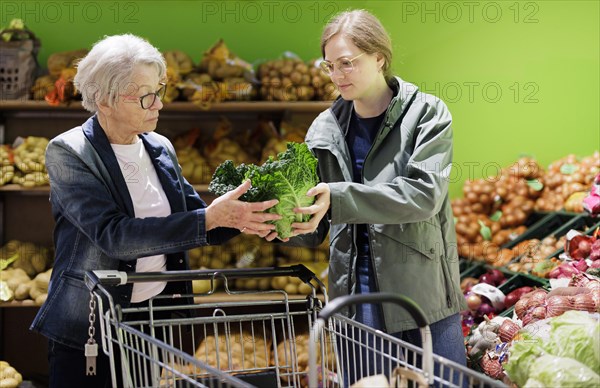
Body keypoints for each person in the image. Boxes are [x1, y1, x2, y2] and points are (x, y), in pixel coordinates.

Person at [30, 34, 280, 388]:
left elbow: (196, 221)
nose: (158, 104)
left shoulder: (159, 146)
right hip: (89, 324)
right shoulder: (69, 152)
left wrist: (244, 217)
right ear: (104, 98)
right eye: (145, 95)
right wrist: (208, 218)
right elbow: (114, 236)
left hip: (150, 322)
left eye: (159, 91)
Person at [270, 9, 468, 385]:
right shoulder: (325, 127)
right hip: (354, 299)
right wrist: (282, 221)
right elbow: (317, 224)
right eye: (329, 66)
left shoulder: (427, 114)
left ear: (379, 57)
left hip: (420, 294)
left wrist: (338, 197)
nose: (337, 76)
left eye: (347, 63)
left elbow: (422, 195)